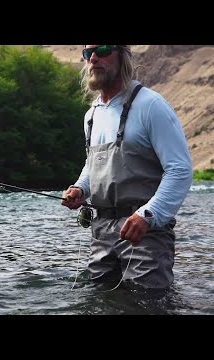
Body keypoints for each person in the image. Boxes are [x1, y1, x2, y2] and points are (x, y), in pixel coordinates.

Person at [61, 45, 192, 289]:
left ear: (123, 55)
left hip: (146, 233)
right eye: (88, 53)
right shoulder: (91, 115)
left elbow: (180, 170)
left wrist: (148, 215)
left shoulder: (151, 105)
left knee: (146, 303)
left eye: (103, 50)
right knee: (100, 301)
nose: (94, 58)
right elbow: (93, 164)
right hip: (101, 231)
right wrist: (80, 189)